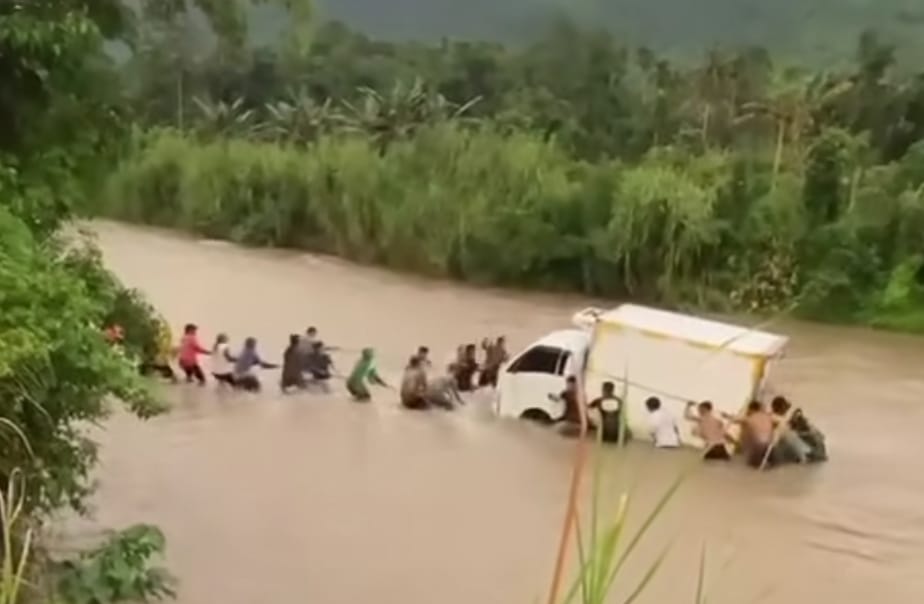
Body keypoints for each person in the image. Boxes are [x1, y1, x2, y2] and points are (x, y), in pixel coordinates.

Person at [771, 396, 827, 463]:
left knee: (805, 427)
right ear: (779, 408)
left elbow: (787, 423)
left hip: (783, 439)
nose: (786, 409)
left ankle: (812, 448)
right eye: (784, 407)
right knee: (790, 434)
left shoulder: (780, 417)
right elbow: (783, 426)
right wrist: (792, 422)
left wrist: (795, 420)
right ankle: (807, 452)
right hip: (778, 441)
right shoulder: (774, 417)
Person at [725, 401, 778, 469]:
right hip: (769, 447)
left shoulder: (749, 418)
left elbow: (735, 419)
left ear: (751, 409)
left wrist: (726, 416)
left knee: (751, 466)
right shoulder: (768, 417)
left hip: (756, 448)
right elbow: (777, 422)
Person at [141, 317, 177, 382]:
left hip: (155, 359)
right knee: (144, 372)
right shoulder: (150, 337)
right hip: (152, 359)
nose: (156, 327)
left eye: (157, 326)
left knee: (170, 374)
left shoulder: (158, 336)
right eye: (154, 325)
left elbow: (162, 348)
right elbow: (147, 348)